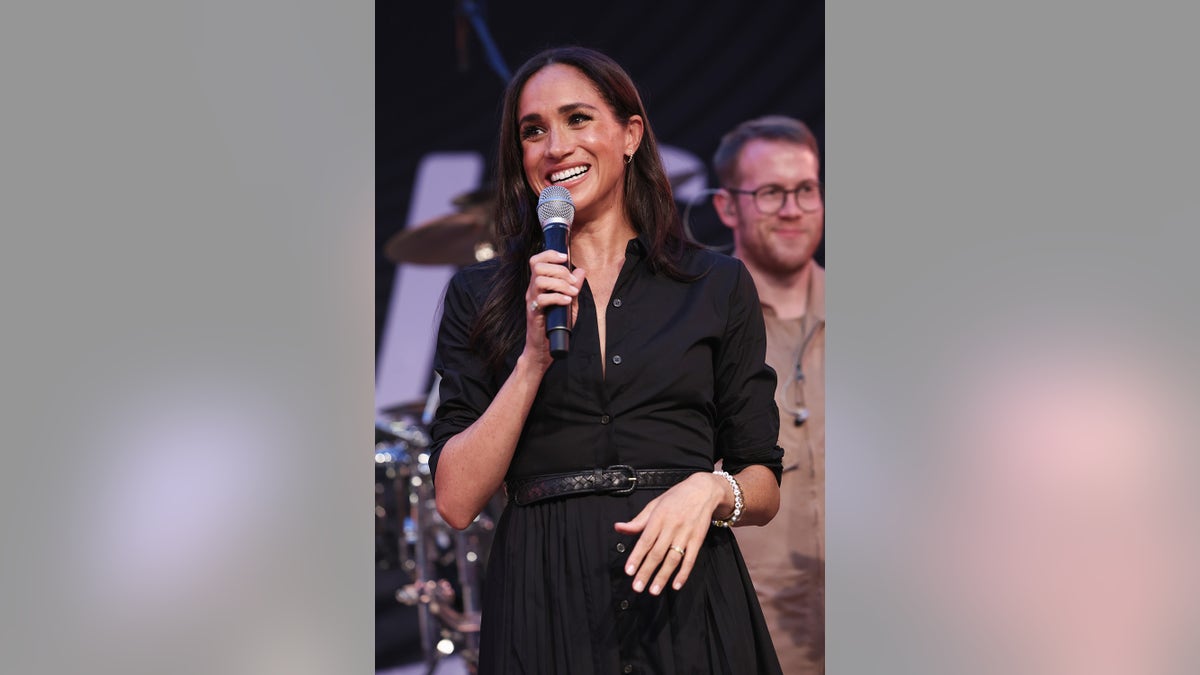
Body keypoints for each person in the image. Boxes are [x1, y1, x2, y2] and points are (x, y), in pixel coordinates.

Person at [429, 46, 785, 674]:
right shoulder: (479, 295)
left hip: (687, 596)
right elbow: (457, 500)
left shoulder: (715, 282)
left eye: (578, 119)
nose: (555, 146)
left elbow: (763, 481)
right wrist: (533, 358)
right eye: (532, 130)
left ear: (630, 135)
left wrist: (709, 489)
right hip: (546, 602)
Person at [711, 115, 826, 673]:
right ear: (727, 208)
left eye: (806, 190)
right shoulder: (692, 330)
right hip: (745, 639)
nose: (792, 209)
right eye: (771, 192)